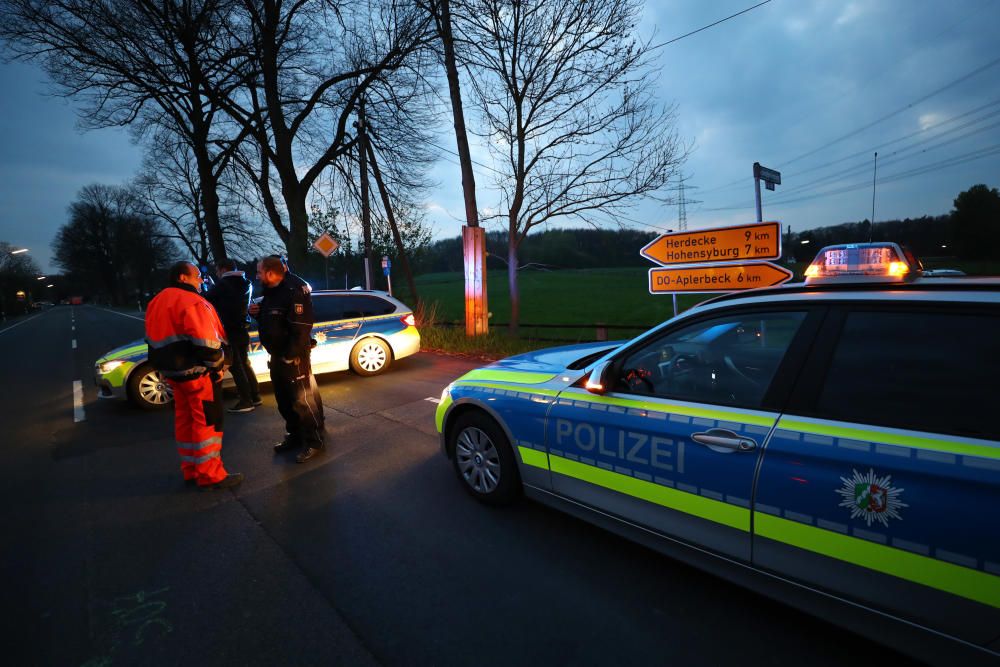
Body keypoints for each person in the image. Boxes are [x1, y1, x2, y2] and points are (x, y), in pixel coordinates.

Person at [145, 261, 243, 490]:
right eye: (197, 276)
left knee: (185, 420)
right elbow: (207, 343)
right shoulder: (192, 302)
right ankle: (210, 474)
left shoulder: (157, 301)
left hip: (173, 374)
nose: (201, 280)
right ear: (182, 278)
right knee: (207, 422)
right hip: (198, 374)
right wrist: (218, 366)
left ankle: (190, 470)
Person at [250, 255, 325, 463]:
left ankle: (314, 442)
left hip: (293, 358)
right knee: (284, 401)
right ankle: (294, 436)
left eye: (259, 272)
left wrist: (291, 356)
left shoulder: (292, 293)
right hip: (276, 356)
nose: (256, 276)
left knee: (302, 402)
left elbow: (301, 330)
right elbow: (275, 322)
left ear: (270, 273)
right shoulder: (271, 294)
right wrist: (257, 313)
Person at [206, 258, 262, 413]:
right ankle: (255, 395)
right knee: (245, 363)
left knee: (236, 366)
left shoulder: (223, 285)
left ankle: (246, 401)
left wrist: (208, 288)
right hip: (243, 329)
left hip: (229, 330)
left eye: (217, 271)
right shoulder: (246, 282)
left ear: (223, 269)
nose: (217, 274)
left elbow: (206, 299)